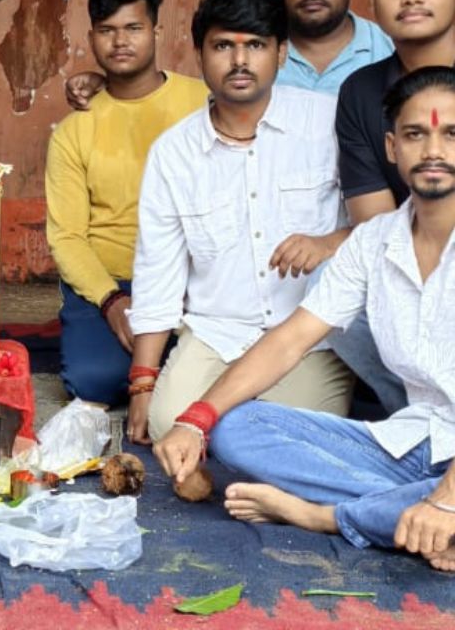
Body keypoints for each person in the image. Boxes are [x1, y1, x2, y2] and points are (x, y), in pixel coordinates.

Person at [156, 66, 455, 572]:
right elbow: (291, 339)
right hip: (416, 440)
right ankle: (412, 512)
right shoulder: (375, 241)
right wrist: (195, 420)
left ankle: (327, 516)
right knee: (239, 427)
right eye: (415, 133)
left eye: (451, 134)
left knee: (435, 500)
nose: (433, 150)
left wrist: (446, 500)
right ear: (390, 147)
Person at [126, 0, 354, 444]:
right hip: (217, 331)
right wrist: (143, 384)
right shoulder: (174, 153)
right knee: (168, 424)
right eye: (223, 46)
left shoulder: (329, 123)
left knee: (293, 441)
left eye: (255, 45)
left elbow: (385, 222)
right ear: (199, 54)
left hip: (308, 335)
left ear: (282, 52)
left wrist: (329, 243)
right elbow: (158, 273)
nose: (239, 61)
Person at [45, 0, 208, 405]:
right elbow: (67, 237)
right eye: (107, 31)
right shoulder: (74, 129)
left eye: (133, 28)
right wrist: (112, 301)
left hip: (194, 276)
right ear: (92, 37)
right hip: (111, 280)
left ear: (155, 31)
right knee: (94, 381)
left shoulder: (203, 104)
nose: (120, 42)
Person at [328, 0, 455, 414]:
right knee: (329, 288)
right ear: (374, 1)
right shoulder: (361, 91)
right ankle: (414, 417)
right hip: (411, 262)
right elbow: (373, 222)